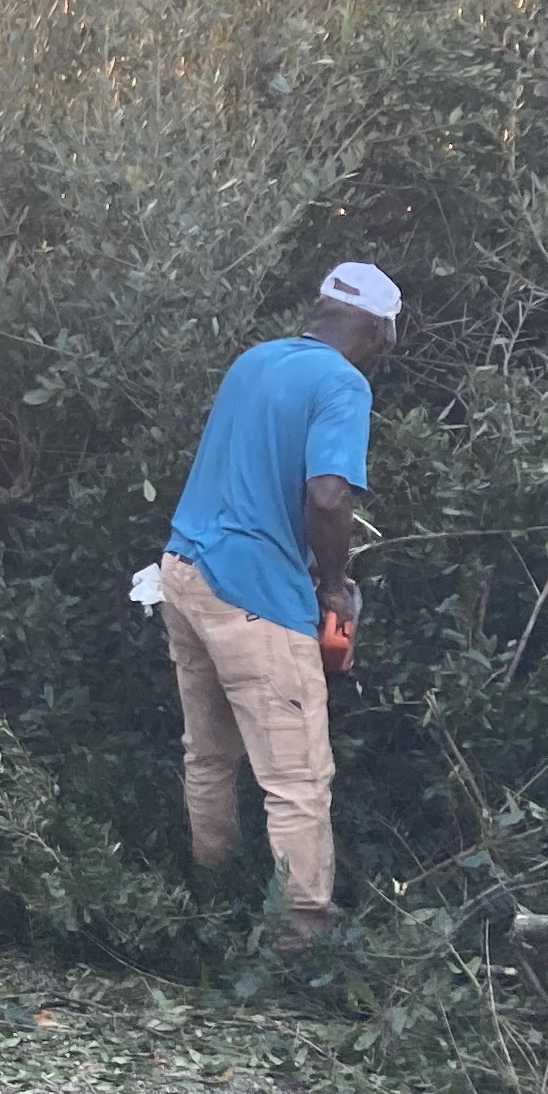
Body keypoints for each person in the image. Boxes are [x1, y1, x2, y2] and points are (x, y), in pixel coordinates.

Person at [156, 261, 399, 946]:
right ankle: (303, 940)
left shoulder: (254, 361)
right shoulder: (342, 383)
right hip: (255, 597)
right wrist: (332, 586)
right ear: (377, 330)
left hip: (184, 571)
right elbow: (328, 495)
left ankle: (213, 899)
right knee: (297, 779)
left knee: (208, 757)